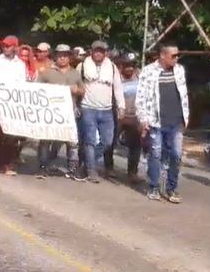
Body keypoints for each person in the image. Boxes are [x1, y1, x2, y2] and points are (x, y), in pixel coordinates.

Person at [136, 44, 189, 203]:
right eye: (173, 56)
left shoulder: (179, 70)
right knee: (156, 154)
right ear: (162, 56)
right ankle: (153, 187)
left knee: (176, 155)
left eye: (177, 55)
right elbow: (141, 97)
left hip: (176, 121)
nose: (176, 58)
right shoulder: (149, 71)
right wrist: (143, 119)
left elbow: (184, 94)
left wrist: (186, 115)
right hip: (156, 121)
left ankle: (171, 188)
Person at [76, 40, 124, 183]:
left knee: (107, 141)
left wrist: (121, 107)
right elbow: (76, 84)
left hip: (107, 110)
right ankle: (91, 171)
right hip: (88, 108)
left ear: (105, 52)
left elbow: (118, 88)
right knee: (89, 141)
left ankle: (86, 164)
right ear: (91, 51)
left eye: (101, 51)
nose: (98, 53)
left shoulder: (112, 67)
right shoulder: (82, 65)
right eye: (96, 50)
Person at [36, 44, 84, 179]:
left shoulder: (75, 73)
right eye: (60, 55)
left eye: (65, 55)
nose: (62, 58)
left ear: (69, 57)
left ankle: (72, 168)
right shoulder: (46, 72)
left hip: (69, 112)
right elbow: (36, 89)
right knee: (46, 139)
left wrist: (76, 90)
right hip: (50, 111)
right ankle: (43, 166)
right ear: (56, 56)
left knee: (72, 141)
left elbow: (83, 90)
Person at [0, 36, 27, 176]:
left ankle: (6, 164)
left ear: (15, 47)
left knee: (10, 135)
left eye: (8, 46)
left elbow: (22, 84)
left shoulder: (20, 64)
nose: (5, 48)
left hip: (12, 104)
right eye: (4, 45)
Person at [106, 53, 143, 183]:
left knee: (136, 145)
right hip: (118, 116)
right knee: (110, 142)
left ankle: (132, 172)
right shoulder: (115, 77)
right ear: (121, 65)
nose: (130, 68)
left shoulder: (140, 76)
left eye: (132, 65)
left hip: (135, 116)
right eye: (127, 65)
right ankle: (109, 168)